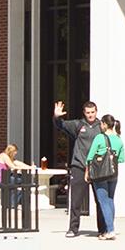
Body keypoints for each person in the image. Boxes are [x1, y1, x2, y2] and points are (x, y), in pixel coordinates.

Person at [53, 99, 100, 237]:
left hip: (97, 167)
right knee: (76, 200)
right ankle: (73, 229)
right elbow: (60, 125)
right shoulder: (78, 125)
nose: (90, 115)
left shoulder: (101, 126)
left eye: (92, 112)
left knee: (101, 200)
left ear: (96, 112)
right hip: (79, 165)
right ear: (84, 113)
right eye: (88, 113)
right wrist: (56, 116)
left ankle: (103, 229)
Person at [86, 114, 125, 239]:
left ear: (104, 124)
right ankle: (110, 228)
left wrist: (87, 172)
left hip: (100, 173)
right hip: (114, 173)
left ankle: (110, 230)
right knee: (110, 200)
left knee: (103, 201)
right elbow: (122, 158)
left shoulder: (99, 137)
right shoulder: (119, 139)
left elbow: (90, 156)